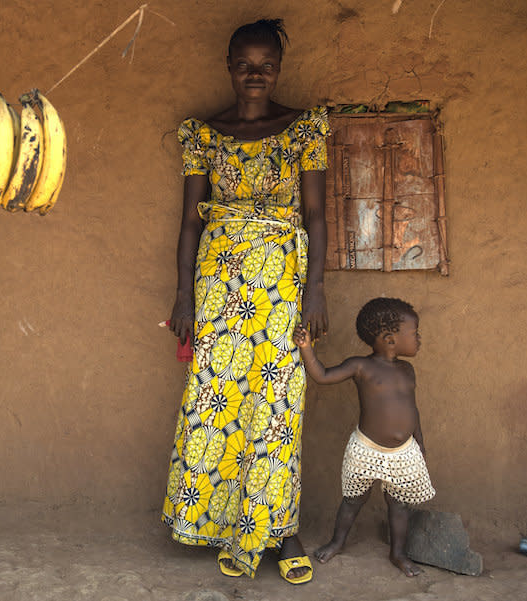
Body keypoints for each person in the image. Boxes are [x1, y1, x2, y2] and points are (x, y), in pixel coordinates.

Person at [162, 19, 329, 583]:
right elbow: (189, 221)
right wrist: (183, 295)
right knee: (216, 403)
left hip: (283, 286)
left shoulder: (303, 129)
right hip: (218, 287)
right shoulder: (204, 135)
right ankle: (227, 526)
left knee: (279, 406)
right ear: (228, 67)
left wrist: (317, 289)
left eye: (266, 65)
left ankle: (281, 532)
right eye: (244, 64)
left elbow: (317, 217)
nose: (255, 74)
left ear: (279, 69)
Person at [292, 297, 434, 577]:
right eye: (414, 333)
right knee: (353, 499)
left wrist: (419, 439)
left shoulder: (407, 370)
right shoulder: (361, 366)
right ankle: (337, 542)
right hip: (366, 449)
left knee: (400, 504)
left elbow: (412, 408)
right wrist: (306, 348)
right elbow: (322, 375)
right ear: (390, 339)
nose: (419, 339)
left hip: (403, 452)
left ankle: (398, 553)